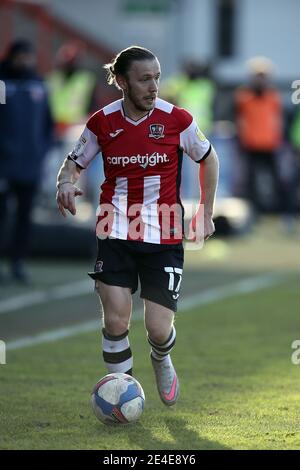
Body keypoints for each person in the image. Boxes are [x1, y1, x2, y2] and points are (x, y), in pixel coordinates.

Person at [56, 46, 219, 406]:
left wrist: (205, 212)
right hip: (114, 228)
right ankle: (122, 395)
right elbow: (73, 163)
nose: (154, 86)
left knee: (158, 329)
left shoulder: (178, 120)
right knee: (116, 322)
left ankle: (161, 357)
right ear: (122, 81)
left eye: (157, 78)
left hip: (165, 231)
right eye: (145, 79)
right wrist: (65, 183)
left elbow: (209, 159)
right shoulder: (102, 122)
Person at [0, 39, 53, 283]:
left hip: (30, 164)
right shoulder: (3, 84)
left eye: (28, 56)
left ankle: (18, 263)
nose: (25, 61)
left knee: (24, 216)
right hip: (4, 164)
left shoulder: (38, 84)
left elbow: (46, 123)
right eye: (21, 56)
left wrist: (42, 152)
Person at [235, 57, 284, 212]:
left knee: (276, 178)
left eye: (263, 76)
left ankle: (277, 208)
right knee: (250, 179)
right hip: (250, 144)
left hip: (270, 144)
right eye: (258, 76)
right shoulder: (243, 96)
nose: (260, 80)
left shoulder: (273, 96)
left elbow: (278, 120)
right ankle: (253, 209)